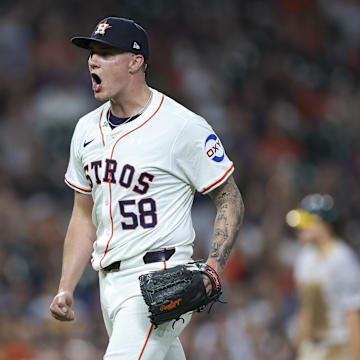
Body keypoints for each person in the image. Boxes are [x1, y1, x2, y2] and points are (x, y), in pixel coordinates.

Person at [49, 17, 244, 360]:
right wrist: (66, 286)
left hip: (160, 278)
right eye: (92, 52)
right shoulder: (85, 130)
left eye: (106, 53)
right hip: (108, 283)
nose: (93, 60)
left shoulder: (181, 126)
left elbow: (229, 196)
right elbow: (83, 215)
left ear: (135, 62)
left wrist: (213, 266)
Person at [286, 194, 360, 360]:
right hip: (312, 349)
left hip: (340, 349)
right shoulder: (305, 257)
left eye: (306, 222)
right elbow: (305, 307)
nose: (300, 228)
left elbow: (353, 316)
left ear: (323, 225)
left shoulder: (343, 259)